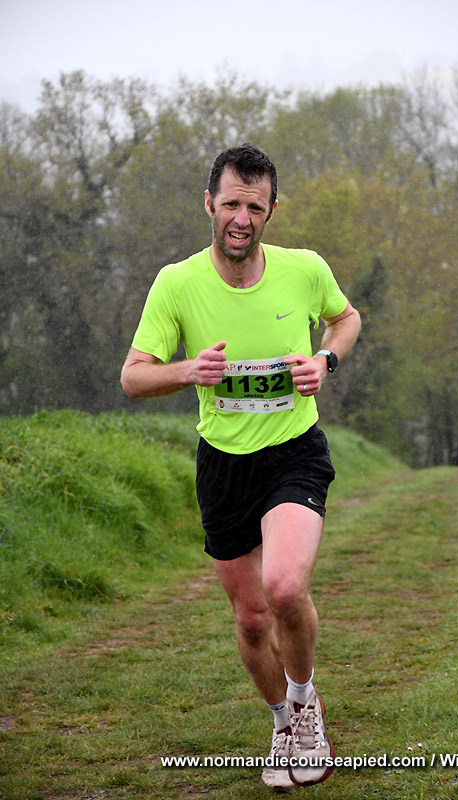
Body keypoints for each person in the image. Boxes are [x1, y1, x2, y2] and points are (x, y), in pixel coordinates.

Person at [121, 143, 361, 789]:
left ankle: (306, 707)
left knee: (284, 588)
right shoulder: (177, 283)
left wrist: (326, 361)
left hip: (293, 452)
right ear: (209, 203)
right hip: (223, 464)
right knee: (253, 619)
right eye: (231, 204)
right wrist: (187, 371)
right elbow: (133, 378)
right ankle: (282, 721)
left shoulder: (304, 269)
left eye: (255, 207)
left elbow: (345, 319)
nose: (241, 219)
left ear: (271, 210)